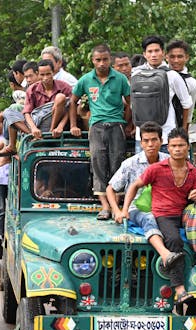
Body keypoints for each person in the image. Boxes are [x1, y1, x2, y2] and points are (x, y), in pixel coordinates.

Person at [118, 127, 196, 305]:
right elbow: (135, 186)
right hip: (163, 215)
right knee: (175, 240)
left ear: (187, 147)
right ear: (168, 148)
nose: (177, 149)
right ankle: (180, 290)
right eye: (173, 145)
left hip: (183, 214)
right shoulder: (157, 169)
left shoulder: (193, 172)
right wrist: (124, 209)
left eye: (181, 145)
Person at [69, 44, 132, 220]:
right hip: (96, 126)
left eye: (105, 59)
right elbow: (72, 101)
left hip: (116, 126)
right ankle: (105, 207)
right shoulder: (86, 80)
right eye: (98, 60)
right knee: (97, 164)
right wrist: (74, 125)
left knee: (117, 164)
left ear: (110, 59)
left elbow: (129, 102)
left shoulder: (120, 79)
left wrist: (126, 125)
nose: (102, 63)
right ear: (93, 60)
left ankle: (116, 206)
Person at [107, 121, 176, 260]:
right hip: (136, 209)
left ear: (161, 141)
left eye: (154, 140)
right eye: (146, 141)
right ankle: (165, 254)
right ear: (142, 143)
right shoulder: (130, 163)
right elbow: (110, 188)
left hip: (164, 208)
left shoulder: (170, 161)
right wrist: (117, 211)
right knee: (148, 217)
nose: (150, 144)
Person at [132, 35, 193, 149]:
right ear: (144, 54)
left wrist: (183, 130)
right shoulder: (136, 74)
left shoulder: (172, 75)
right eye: (150, 51)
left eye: (156, 51)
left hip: (165, 136)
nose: (153, 55)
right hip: (142, 138)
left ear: (163, 53)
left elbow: (187, 103)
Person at [166, 39, 196, 128]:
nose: (176, 60)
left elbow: (189, 112)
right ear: (166, 57)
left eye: (180, 56)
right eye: (172, 57)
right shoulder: (160, 76)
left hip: (177, 129)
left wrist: (185, 131)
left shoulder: (191, 83)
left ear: (187, 57)